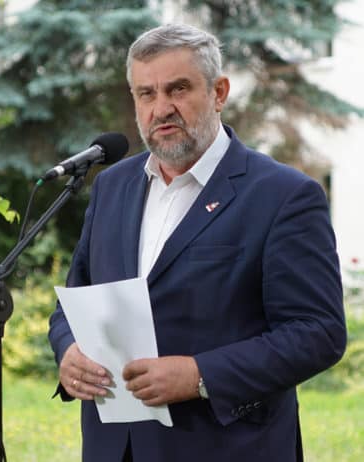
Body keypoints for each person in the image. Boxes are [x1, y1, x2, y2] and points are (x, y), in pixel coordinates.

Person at [48, 23, 346, 462]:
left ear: (219, 92)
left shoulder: (284, 195)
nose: (161, 108)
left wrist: (199, 375)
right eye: (146, 93)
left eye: (178, 89)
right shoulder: (112, 186)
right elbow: (74, 301)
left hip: (227, 447)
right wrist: (67, 349)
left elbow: (318, 333)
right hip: (114, 447)